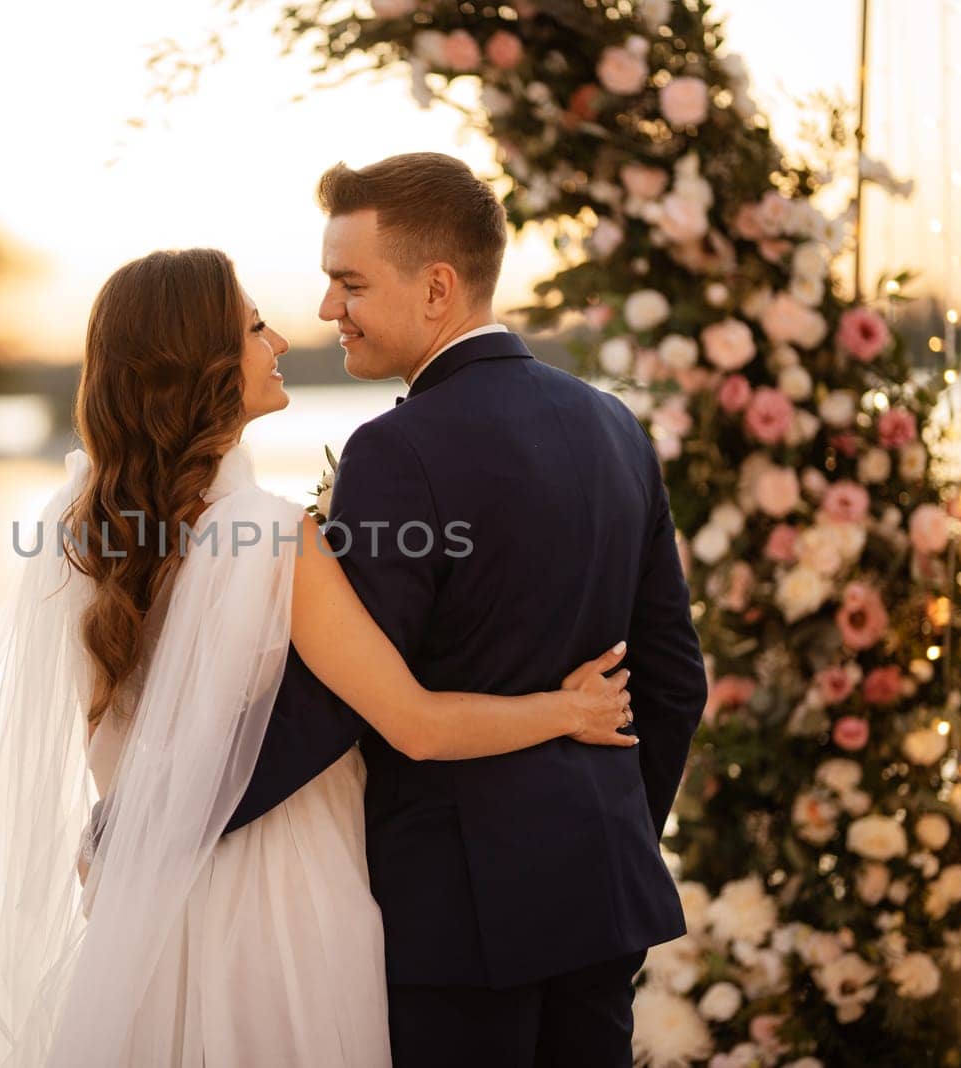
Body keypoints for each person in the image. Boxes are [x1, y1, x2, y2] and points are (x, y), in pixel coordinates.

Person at [0, 243, 645, 1067]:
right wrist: (570, 709)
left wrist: (124, 836)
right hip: (285, 903)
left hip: (149, 909)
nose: (278, 341)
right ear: (202, 363)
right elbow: (413, 724)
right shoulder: (275, 536)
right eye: (253, 326)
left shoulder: (77, 532)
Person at [223, 152, 709, 1067]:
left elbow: (343, 697)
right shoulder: (616, 427)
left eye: (349, 282)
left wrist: (170, 819)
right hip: (604, 898)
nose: (328, 309)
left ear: (438, 288)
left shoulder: (397, 450)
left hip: (456, 918)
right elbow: (674, 682)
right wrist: (611, 832)